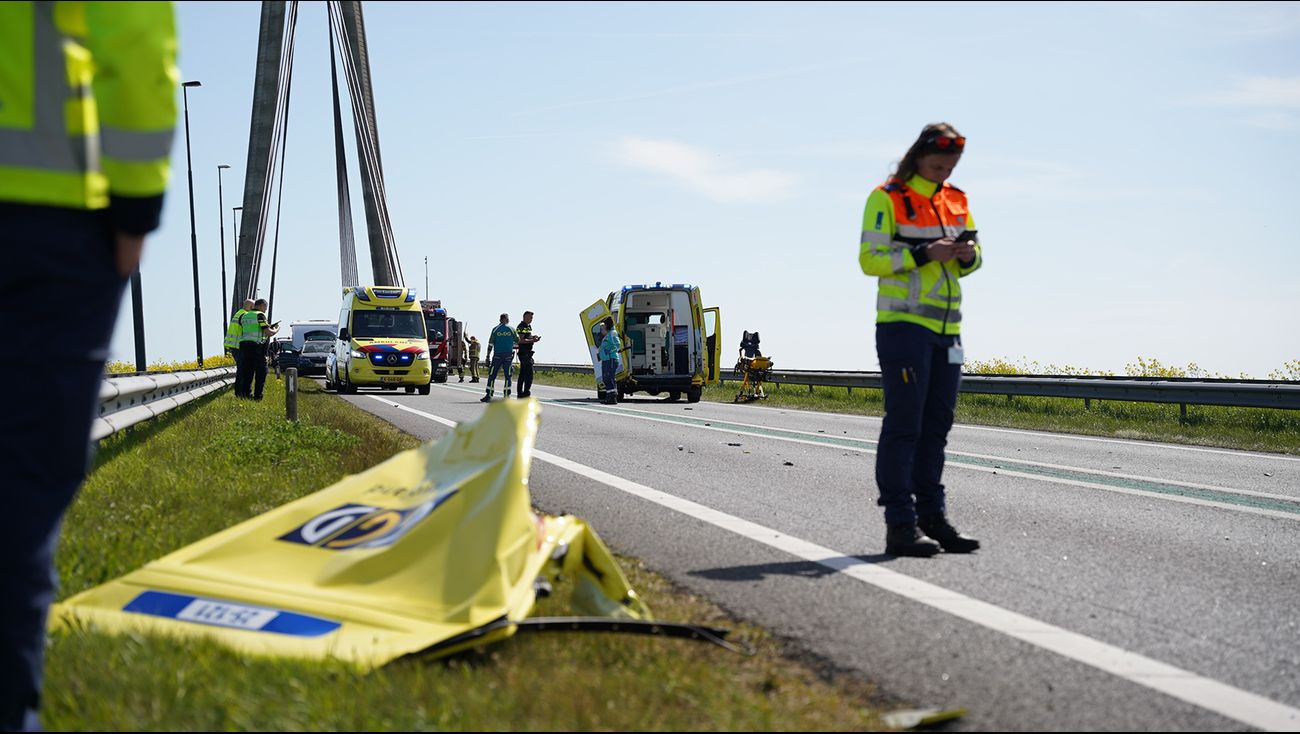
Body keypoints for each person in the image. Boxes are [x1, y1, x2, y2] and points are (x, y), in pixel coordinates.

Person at [0, 3, 178, 729]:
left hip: (49, 219)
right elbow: (132, 36)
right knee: (20, 477)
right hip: (50, 216)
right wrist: (136, 209)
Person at [858, 122, 983, 558]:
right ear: (918, 157)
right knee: (905, 427)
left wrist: (968, 256)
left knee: (936, 429)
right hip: (902, 327)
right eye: (937, 165)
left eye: (950, 166)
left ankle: (933, 518)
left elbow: (975, 261)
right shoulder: (887, 197)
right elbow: (868, 260)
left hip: (948, 331)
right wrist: (922, 253)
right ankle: (900, 525)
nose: (943, 172)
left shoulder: (957, 199)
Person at [235, 299, 278, 401]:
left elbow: (248, 329)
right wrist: (276, 329)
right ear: (262, 306)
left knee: (247, 373)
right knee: (261, 372)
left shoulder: (243, 316)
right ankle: (257, 397)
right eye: (265, 308)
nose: (265, 311)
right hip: (256, 347)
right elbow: (268, 332)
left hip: (244, 347)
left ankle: (246, 395)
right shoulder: (260, 315)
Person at [481, 314, 517, 402]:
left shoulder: (495, 329)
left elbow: (490, 344)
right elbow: (517, 341)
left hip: (497, 355)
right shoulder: (512, 329)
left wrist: (487, 356)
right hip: (508, 356)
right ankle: (506, 396)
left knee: (492, 375)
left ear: (500, 319)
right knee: (508, 376)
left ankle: (489, 395)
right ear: (507, 320)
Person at [225, 298, 255, 384]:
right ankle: (240, 392)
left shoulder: (239, 313)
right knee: (243, 369)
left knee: (242, 368)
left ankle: (240, 391)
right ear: (251, 306)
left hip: (234, 345)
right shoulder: (245, 315)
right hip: (239, 345)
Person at [515, 310, 541, 398]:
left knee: (523, 373)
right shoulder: (521, 326)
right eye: (530, 317)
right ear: (525, 317)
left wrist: (533, 337)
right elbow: (520, 340)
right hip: (524, 352)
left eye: (532, 318)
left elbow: (527, 337)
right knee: (528, 374)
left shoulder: (528, 326)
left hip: (527, 352)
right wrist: (532, 340)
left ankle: (521, 393)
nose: (531, 319)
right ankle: (525, 393)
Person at [597, 317, 623, 404]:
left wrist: (608, 351)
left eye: (604, 325)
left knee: (609, 378)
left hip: (611, 359)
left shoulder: (612, 333)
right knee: (606, 379)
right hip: (606, 359)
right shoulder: (609, 334)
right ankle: (609, 397)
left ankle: (612, 398)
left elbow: (617, 344)